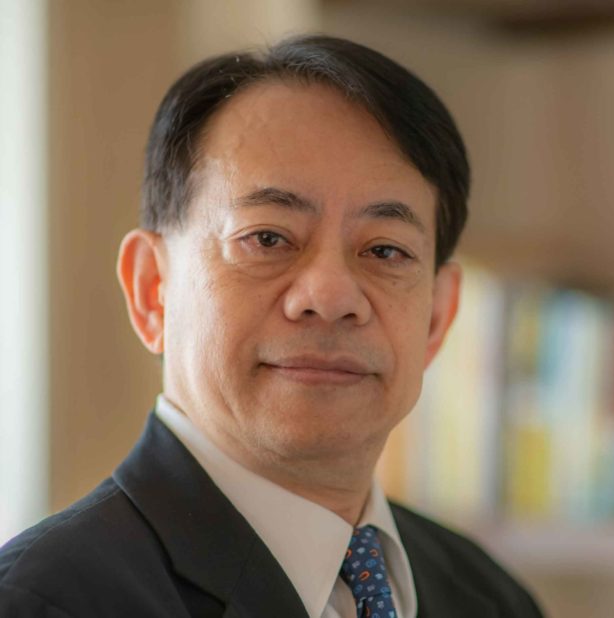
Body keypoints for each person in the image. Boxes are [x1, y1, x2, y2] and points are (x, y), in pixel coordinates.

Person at [0, 35, 544, 617]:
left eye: (386, 250)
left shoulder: (493, 599)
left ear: (437, 316)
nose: (330, 298)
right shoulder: (43, 602)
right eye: (267, 238)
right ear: (152, 289)